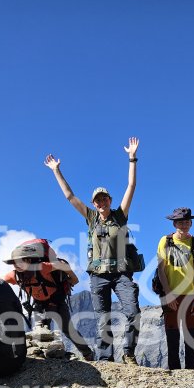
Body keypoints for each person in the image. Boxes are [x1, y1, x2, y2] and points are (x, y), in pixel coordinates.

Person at [44, 138, 141, 364]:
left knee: (133, 312)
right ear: (94, 204)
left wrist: (132, 158)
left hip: (121, 275)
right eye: (97, 201)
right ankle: (106, 359)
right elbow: (69, 196)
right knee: (103, 319)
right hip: (98, 276)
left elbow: (131, 186)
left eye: (104, 198)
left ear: (110, 200)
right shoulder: (90, 218)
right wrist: (56, 170)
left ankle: (128, 353)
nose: (101, 203)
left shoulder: (120, 215)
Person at [0, 243, 94, 360]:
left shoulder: (42, 267)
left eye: (19, 261)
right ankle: (43, 354)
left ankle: (87, 354)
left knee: (67, 330)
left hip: (57, 302)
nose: (15, 265)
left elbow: (62, 265)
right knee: (40, 331)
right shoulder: (15, 275)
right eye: (14, 262)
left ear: (29, 260)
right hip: (39, 305)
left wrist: (73, 279)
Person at [156, 207, 194, 370]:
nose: (183, 225)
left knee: (191, 336)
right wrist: (168, 294)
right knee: (172, 336)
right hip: (171, 293)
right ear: (174, 224)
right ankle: (174, 372)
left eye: (186, 222)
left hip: (191, 294)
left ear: (191, 223)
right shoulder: (165, 241)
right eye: (180, 222)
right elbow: (161, 270)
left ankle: (192, 372)